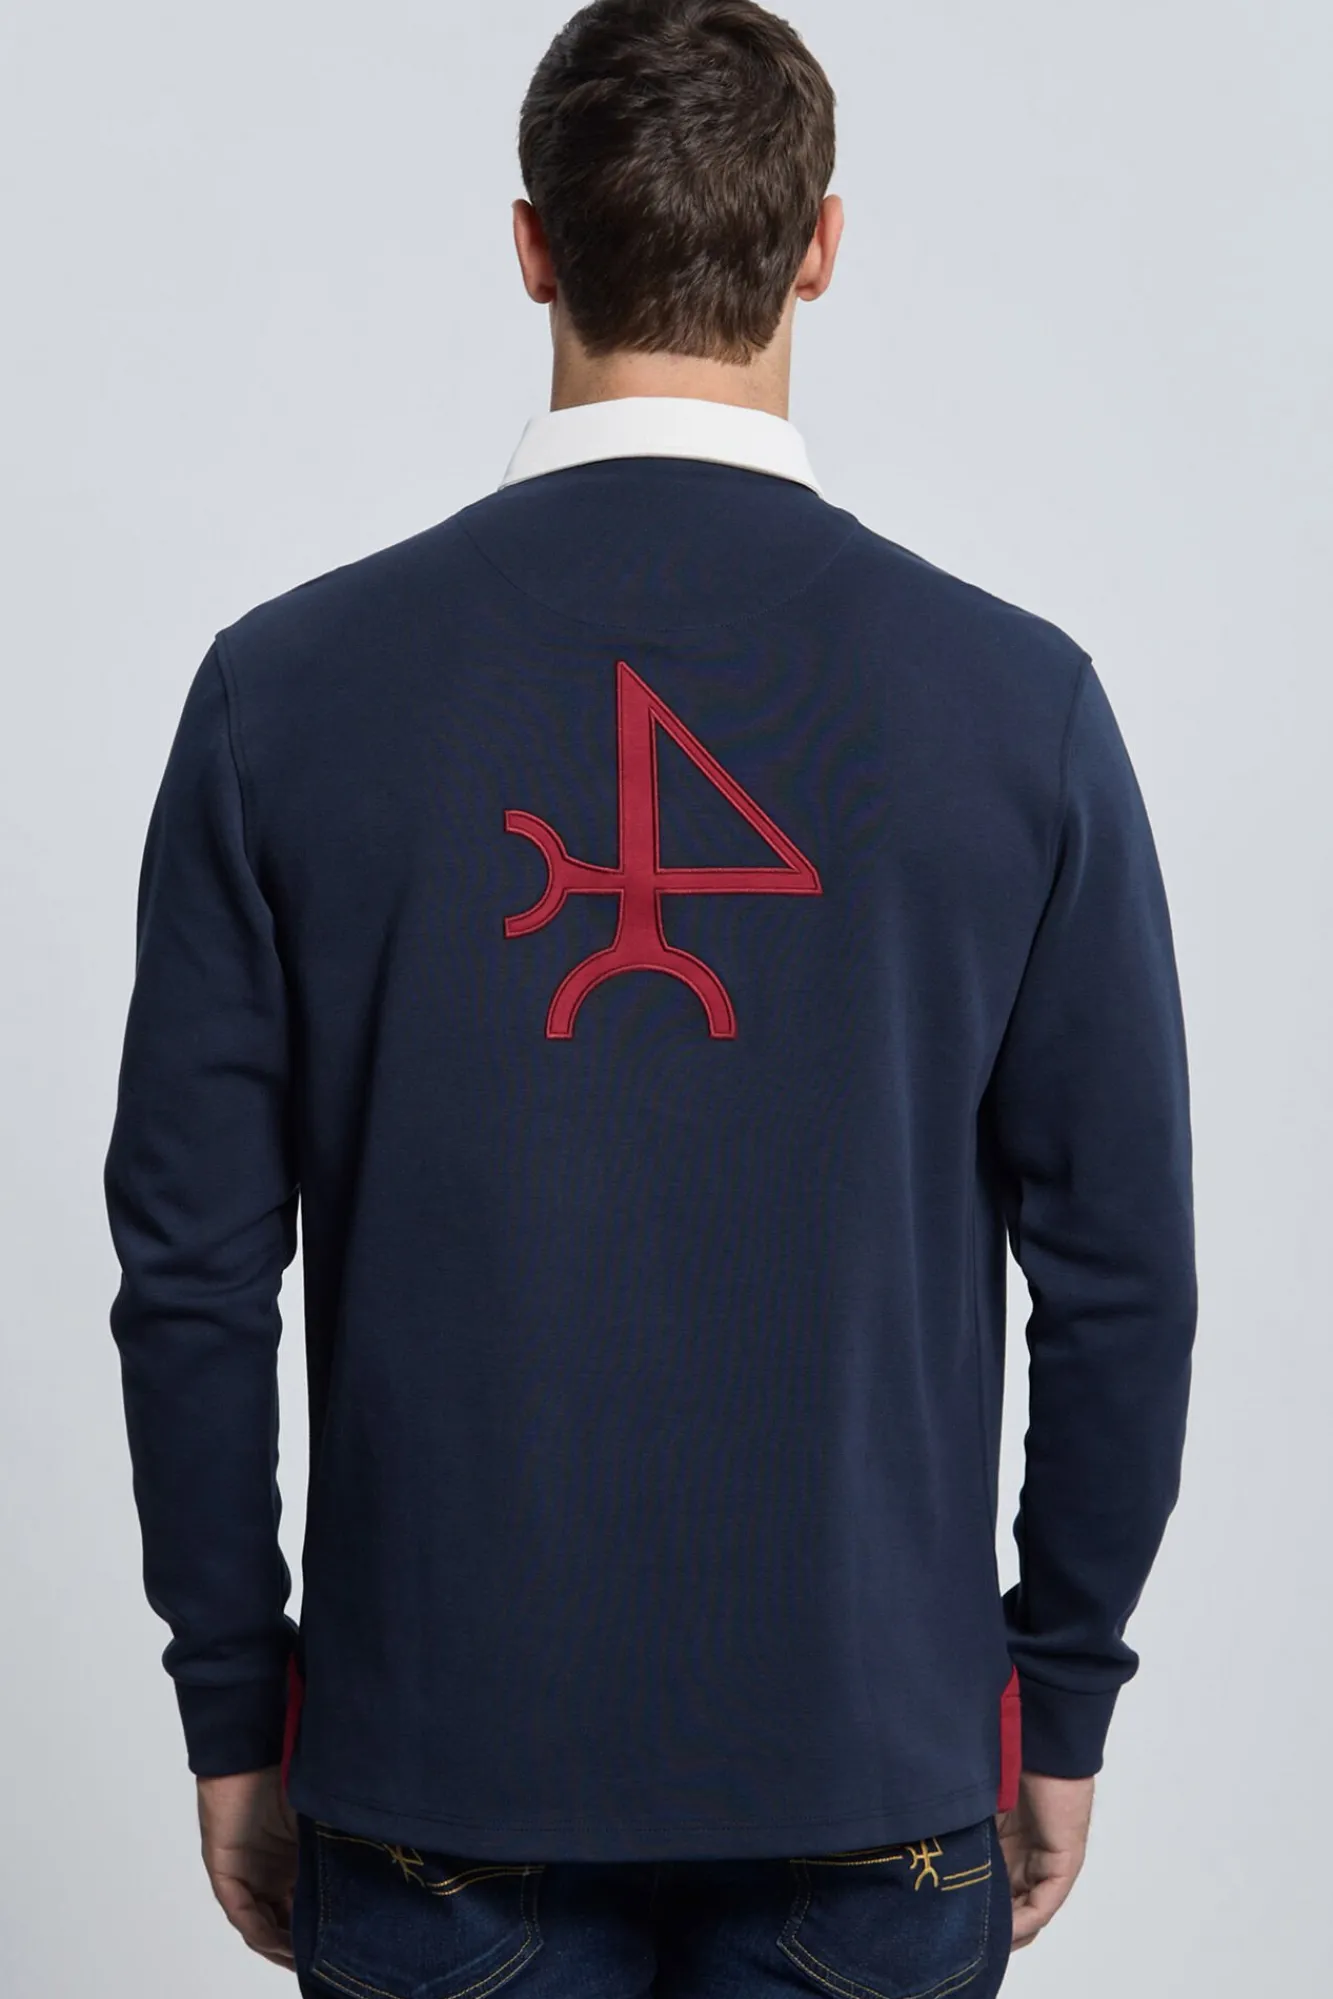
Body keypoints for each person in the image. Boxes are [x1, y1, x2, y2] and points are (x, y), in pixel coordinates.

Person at [102, 2, 1197, 1993]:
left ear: (532, 247)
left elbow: (192, 1269)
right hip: (877, 1774)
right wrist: (1057, 1692)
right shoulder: (1015, 709)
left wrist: (235, 1702)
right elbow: (1120, 1270)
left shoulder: (289, 698)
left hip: (429, 1784)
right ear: (821, 247)